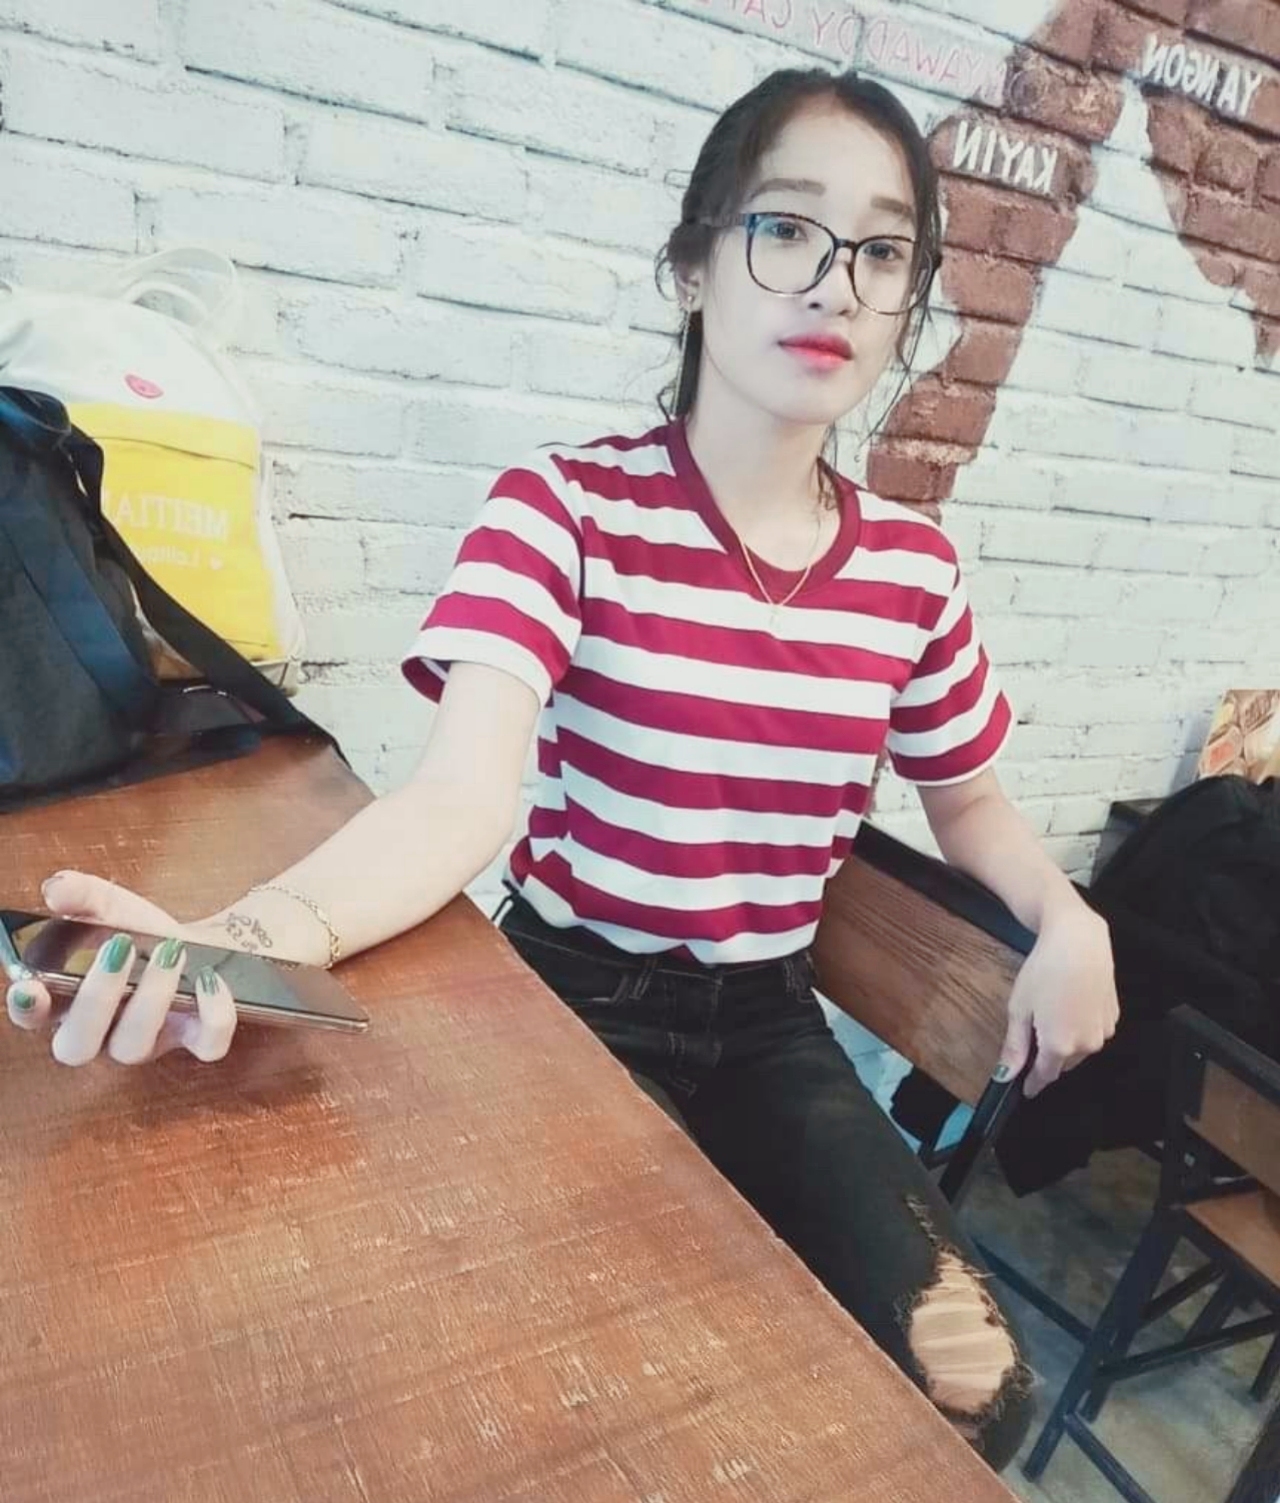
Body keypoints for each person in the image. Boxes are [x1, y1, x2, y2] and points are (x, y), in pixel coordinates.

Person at [7, 69, 1119, 1469]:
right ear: (694, 266)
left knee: (976, 1394)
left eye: (883, 252)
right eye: (787, 228)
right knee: (565, 1379)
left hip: (769, 1031)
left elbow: (968, 799)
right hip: (574, 997)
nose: (835, 283)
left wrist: (1068, 914)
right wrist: (238, 941)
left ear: (908, 304)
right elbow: (460, 795)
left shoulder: (913, 572)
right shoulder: (566, 508)